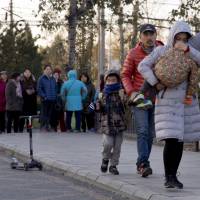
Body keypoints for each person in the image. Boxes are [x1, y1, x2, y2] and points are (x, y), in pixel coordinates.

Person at [138, 21, 200, 189]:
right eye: (177, 38)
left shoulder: (191, 52)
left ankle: (173, 175)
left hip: (185, 103)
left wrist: (188, 50)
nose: (180, 41)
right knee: (171, 140)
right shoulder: (161, 50)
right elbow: (142, 65)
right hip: (167, 102)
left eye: (184, 38)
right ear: (172, 36)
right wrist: (155, 82)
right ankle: (168, 176)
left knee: (179, 141)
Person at [121, 23, 163, 177]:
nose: (149, 37)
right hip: (140, 98)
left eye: (151, 34)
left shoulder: (163, 50)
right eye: (146, 34)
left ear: (155, 36)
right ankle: (143, 164)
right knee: (143, 131)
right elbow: (125, 74)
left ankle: (143, 162)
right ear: (140, 37)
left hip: (158, 98)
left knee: (151, 133)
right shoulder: (133, 53)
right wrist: (131, 92)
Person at [132, 45, 198, 108]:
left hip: (163, 74)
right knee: (157, 86)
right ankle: (149, 100)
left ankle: (141, 93)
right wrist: (189, 94)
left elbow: (161, 59)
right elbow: (194, 78)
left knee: (153, 72)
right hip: (171, 82)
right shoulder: (191, 59)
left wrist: (157, 67)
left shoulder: (170, 51)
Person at [97, 69, 126, 175]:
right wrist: (97, 106)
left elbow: (126, 106)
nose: (111, 82)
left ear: (117, 81)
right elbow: (98, 108)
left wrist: (124, 99)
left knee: (117, 147)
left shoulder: (121, 92)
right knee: (108, 144)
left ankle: (113, 165)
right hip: (107, 124)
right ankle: (105, 159)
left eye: (113, 80)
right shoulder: (103, 94)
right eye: (108, 80)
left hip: (119, 124)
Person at [37, 65, 57, 132]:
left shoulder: (53, 79)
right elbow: (39, 89)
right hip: (45, 99)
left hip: (52, 99)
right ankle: (43, 127)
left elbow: (55, 88)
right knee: (44, 114)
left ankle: (48, 126)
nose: (49, 70)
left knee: (50, 114)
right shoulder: (41, 78)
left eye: (50, 69)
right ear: (44, 70)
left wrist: (55, 96)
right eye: (47, 69)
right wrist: (44, 96)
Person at [51, 68, 66, 132]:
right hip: (53, 100)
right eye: (55, 74)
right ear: (53, 74)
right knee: (54, 115)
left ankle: (63, 129)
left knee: (61, 115)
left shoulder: (61, 82)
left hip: (60, 101)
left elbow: (63, 91)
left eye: (58, 74)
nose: (56, 75)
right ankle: (54, 128)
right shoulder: (51, 81)